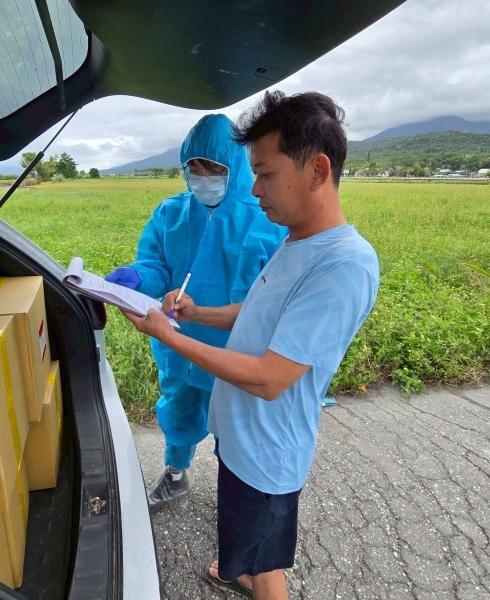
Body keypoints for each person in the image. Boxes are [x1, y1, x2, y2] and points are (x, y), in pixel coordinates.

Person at [119, 91, 380, 600]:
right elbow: (258, 309)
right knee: (247, 542)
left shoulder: (342, 264)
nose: (255, 187)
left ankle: (251, 573)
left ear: (317, 170)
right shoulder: (298, 240)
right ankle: (235, 566)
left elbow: (269, 377)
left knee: (267, 571)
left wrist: (169, 333)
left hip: (266, 451)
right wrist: (196, 314)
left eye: (263, 173)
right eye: (253, 173)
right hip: (243, 441)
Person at [105, 113, 286, 512]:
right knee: (179, 408)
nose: (203, 177)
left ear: (234, 167)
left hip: (234, 349)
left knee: (234, 425)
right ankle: (175, 473)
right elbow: (157, 265)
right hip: (179, 344)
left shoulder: (266, 219)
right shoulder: (171, 213)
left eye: (214, 168)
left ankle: (237, 492)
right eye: (194, 168)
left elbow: (273, 298)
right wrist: (137, 276)